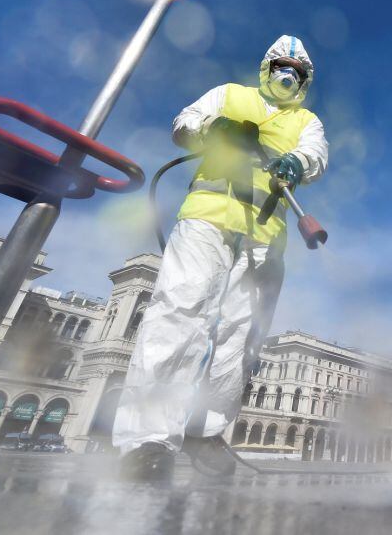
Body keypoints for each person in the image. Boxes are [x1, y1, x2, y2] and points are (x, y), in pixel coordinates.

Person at [113, 35, 328, 480]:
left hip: (265, 234)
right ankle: (148, 439)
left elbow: (315, 156)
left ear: (304, 79)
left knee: (240, 333)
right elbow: (183, 123)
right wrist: (214, 130)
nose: (287, 75)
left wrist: (294, 164)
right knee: (180, 311)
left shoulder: (308, 120)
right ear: (267, 67)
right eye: (281, 66)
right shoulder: (229, 95)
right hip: (206, 218)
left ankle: (206, 430)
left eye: (297, 71)